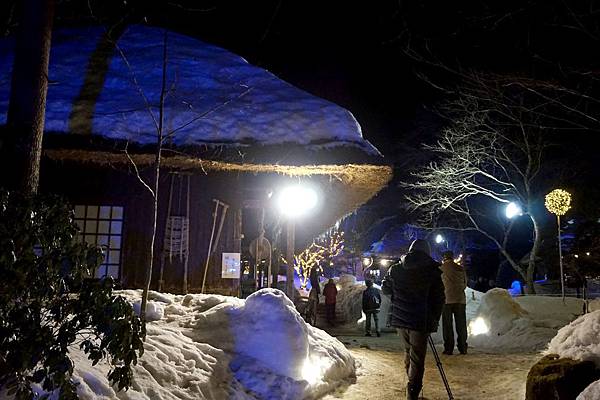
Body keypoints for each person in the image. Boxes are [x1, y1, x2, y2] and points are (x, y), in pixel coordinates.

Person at [382, 239, 444, 400]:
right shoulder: (432, 270)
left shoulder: (396, 269)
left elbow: (385, 288)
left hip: (401, 319)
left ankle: (411, 387)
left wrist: (398, 298)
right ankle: (413, 393)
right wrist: (433, 319)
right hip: (420, 320)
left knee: (409, 352)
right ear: (427, 252)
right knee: (417, 358)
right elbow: (439, 298)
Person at [440, 250, 468, 355]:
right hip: (460, 299)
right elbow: (465, 284)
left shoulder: (441, 269)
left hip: (446, 300)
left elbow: (438, 285)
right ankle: (463, 347)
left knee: (447, 325)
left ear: (444, 257)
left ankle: (448, 348)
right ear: (452, 257)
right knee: (461, 324)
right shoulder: (460, 269)